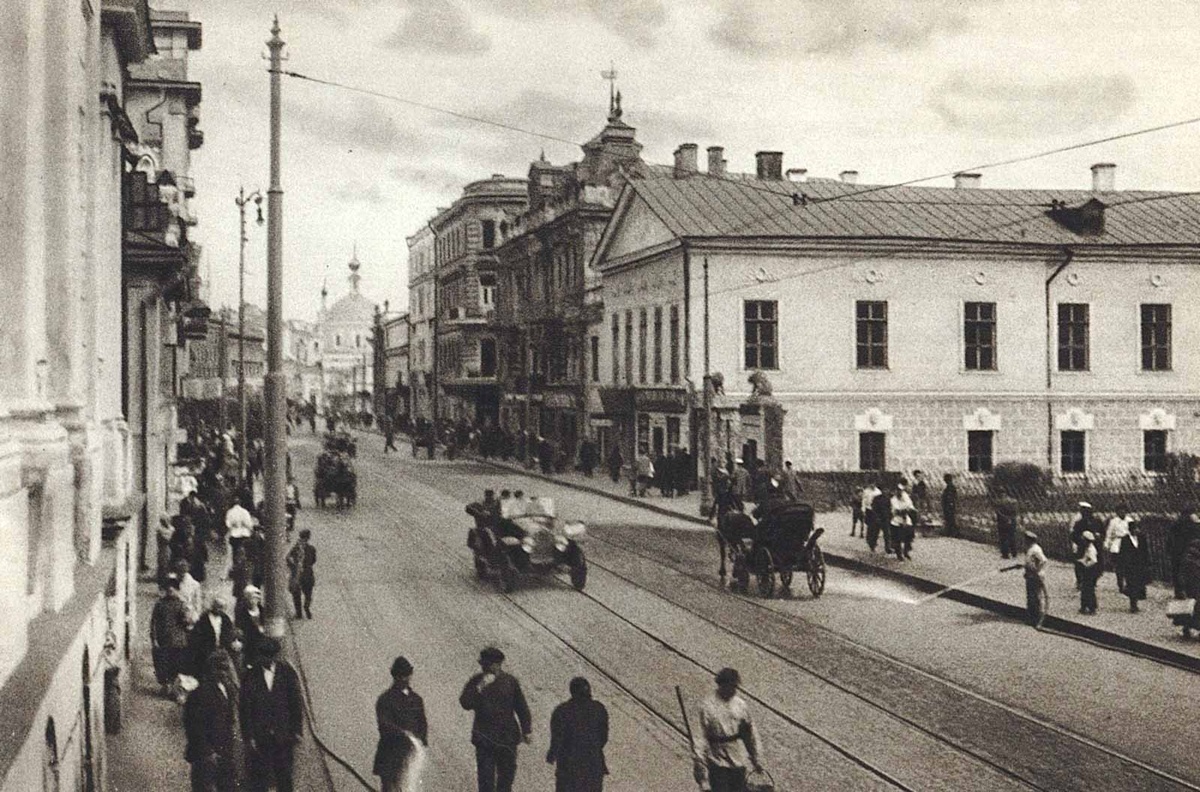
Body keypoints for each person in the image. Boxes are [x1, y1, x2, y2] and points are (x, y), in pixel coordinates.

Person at [459, 646, 532, 792]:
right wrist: (480, 687)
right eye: (483, 664)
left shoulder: (510, 682)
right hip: (485, 739)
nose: (484, 667)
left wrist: (526, 730)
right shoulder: (477, 681)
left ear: (497, 664)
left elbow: (521, 707)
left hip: (507, 740)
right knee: (486, 783)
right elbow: (465, 703)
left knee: (506, 782)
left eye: (487, 664)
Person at [240, 637, 304, 792]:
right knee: (259, 778)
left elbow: (296, 703)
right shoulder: (250, 675)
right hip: (260, 737)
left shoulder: (287, 673)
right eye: (263, 656)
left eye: (271, 656)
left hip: (283, 735)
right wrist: (249, 737)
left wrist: (297, 730)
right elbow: (245, 709)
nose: (267, 659)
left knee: (284, 775)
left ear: (276, 656)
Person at [693, 668, 761, 792]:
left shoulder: (740, 705)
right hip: (717, 760)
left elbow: (750, 733)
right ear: (721, 685)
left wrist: (756, 758)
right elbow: (700, 735)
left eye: (735, 687)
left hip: (738, 759)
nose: (733, 690)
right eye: (730, 686)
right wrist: (699, 758)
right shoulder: (708, 706)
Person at [184, 651, 241, 792]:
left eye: (225, 668)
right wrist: (207, 751)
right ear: (210, 670)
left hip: (225, 751)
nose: (222, 673)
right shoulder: (199, 694)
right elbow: (193, 726)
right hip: (205, 754)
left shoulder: (228, 689)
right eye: (218, 668)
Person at [374, 656, 428, 792]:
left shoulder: (416, 700)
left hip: (410, 757)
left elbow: (422, 724)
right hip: (390, 757)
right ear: (394, 676)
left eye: (406, 675)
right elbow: (384, 725)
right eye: (400, 676)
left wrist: (420, 739)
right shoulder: (385, 699)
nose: (404, 679)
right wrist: (404, 734)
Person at [547, 677, 608, 792]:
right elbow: (603, 737)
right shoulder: (599, 709)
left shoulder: (561, 711)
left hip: (568, 766)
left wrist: (552, 754)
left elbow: (557, 737)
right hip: (593, 765)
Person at [150, 575, 191, 695]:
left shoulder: (181, 605)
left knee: (175, 664)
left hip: (177, 641)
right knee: (162, 663)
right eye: (168, 590)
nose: (170, 592)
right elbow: (153, 622)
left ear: (177, 590)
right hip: (163, 639)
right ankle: (165, 685)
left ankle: (173, 687)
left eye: (173, 590)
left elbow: (186, 623)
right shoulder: (160, 604)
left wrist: (187, 615)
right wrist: (154, 639)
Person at [190, 594, 237, 677]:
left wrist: (230, 643)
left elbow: (230, 633)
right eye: (218, 606)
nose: (220, 609)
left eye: (222, 607)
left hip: (222, 650)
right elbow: (197, 635)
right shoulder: (204, 619)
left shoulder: (225, 619)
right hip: (207, 652)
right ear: (213, 606)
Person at [1118, 519, 1151, 613]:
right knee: (1132, 584)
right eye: (1134, 528)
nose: (1136, 530)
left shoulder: (1142, 538)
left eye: (1137, 528)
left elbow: (1145, 551)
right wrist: (1123, 564)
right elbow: (1122, 553)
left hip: (1140, 565)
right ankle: (1133, 604)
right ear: (1130, 529)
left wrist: (1147, 563)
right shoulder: (1125, 539)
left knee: (1139, 584)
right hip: (1130, 566)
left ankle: (1136, 599)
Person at [1070, 502, 1103, 590]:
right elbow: (1074, 535)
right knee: (1080, 563)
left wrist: (1098, 536)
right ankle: (1080, 580)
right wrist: (1081, 540)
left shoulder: (1096, 521)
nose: (1085, 514)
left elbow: (1102, 532)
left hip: (1095, 545)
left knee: (1096, 563)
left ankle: (1093, 580)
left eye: (1087, 511)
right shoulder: (1079, 523)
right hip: (1083, 546)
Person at [286, 529, 317, 619]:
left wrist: (293, 566)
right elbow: (313, 560)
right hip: (308, 574)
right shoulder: (311, 549)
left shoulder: (296, 548)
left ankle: (298, 613)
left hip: (297, 575)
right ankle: (306, 606)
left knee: (296, 594)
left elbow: (288, 558)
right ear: (308, 538)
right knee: (308, 593)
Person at [235, 585, 267, 671]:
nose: (253, 601)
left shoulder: (263, 611)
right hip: (249, 645)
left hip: (262, 643)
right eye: (250, 598)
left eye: (255, 598)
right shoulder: (242, 613)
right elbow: (239, 629)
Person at [1022, 530, 1048, 626]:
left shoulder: (1035, 549)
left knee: (1035, 597)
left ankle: (1036, 618)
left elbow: (1043, 560)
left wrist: (1037, 569)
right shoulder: (1030, 548)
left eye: (1026, 540)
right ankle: (1031, 617)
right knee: (1030, 597)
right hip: (1030, 575)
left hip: (1035, 576)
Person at [1104, 507, 1131, 593]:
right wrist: (1107, 544)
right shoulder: (1114, 521)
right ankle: (1120, 584)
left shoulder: (1129, 520)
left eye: (1123, 511)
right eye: (1120, 511)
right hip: (1117, 544)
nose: (1122, 513)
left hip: (1127, 544)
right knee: (1119, 566)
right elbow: (1109, 533)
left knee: (1128, 565)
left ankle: (1128, 584)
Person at [890, 483, 916, 560]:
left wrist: (909, 509)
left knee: (908, 536)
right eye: (897, 490)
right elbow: (897, 510)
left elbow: (911, 506)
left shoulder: (906, 496)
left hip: (906, 520)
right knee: (897, 538)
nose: (899, 492)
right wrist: (905, 510)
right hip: (897, 520)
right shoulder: (893, 499)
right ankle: (899, 554)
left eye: (900, 490)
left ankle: (906, 551)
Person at [1078, 530, 1100, 614]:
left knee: (1088, 589)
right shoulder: (1088, 548)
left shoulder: (1091, 549)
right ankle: (1086, 606)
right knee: (1086, 589)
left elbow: (1093, 560)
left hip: (1090, 570)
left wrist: (1085, 565)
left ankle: (1091, 607)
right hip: (1089, 570)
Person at [994, 491, 1019, 559]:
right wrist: (1011, 519)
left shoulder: (999, 502)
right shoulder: (1014, 502)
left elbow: (998, 513)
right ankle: (1014, 553)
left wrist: (1006, 519)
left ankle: (1005, 554)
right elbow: (1016, 513)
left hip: (1003, 521)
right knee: (1012, 537)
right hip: (1012, 521)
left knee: (1003, 537)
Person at [867, 484, 891, 554]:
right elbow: (873, 508)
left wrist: (889, 517)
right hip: (878, 518)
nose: (886, 491)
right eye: (884, 490)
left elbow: (889, 508)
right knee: (875, 533)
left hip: (885, 518)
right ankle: (872, 546)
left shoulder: (888, 499)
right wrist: (876, 517)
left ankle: (888, 548)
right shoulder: (877, 498)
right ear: (881, 490)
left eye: (887, 490)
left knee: (887, 534)